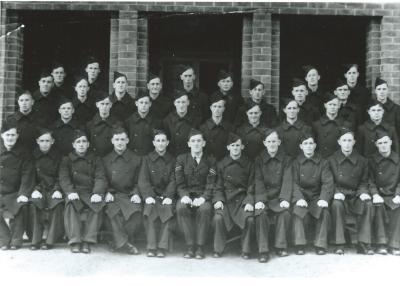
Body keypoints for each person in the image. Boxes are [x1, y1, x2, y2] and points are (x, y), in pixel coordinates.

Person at [212, 133, 259, 261]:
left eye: (238, 145)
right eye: (233, 145)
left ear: (242, 147)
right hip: (226, 201)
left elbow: (252, 186)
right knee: (218, 218)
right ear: (228, 148)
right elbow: (217, 186)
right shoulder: (221, 164)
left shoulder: (249, 164)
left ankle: (246, 249)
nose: (235, 148)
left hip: (242, 200)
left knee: (249, 219)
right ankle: (218, 248)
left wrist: (249, 201)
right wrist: (218, 200)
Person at [59, 130, 106, 253]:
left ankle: (87, 241)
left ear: (88, 144)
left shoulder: (96, 159)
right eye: (78, 142)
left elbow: (100, 177)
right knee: (70, 204)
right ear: (73, 145)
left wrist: (97, 192)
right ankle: (75, 240)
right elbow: (64, 178)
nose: (81, 144)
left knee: (97, 205)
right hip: (75, 191)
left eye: (84, 141)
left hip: (90, 192)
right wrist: (70, 191)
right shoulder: (67, 159)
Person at [328, 127, 373, 255]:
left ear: (354, 142)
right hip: (339, 194)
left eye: (349, 140)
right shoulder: (331, 160)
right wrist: (336, 192)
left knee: (368, 204)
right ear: (339, 142)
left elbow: (364, 181)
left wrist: (363, 192)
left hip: (355, 194)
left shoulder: (362, 161)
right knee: (336, 205)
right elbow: (329, 181)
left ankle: (363, 243)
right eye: (344, 140)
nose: (347, 143)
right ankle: (339, 243)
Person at [175, 129, 217, 259]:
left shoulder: (211, 160)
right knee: (181, 208)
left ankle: (200, 246)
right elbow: (179, 183)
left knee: (204, 210)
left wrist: (203, 198)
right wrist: (185, 196)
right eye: (193, 141)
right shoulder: (181, 159)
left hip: (203, 196)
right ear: (189, 144)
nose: (196, 144)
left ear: (203, 143)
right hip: (187, 195)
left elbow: (211, 184)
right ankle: (189, 246)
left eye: (199, 141)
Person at [291, 133, 334, 255]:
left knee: (324, 211)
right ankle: (300, 244)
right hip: (302, 196)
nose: (308, 146)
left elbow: (327, 182)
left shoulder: (323, 162)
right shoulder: (296, 163)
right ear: (301, 146)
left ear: (315, 146)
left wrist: (323, 198)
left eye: (311, 143)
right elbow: (293, 182)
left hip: (316, 196)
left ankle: (320, 244)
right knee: (297, 210)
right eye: (305, 144)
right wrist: (299, 197)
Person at [102, 127, 142, 255]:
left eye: (122, 139)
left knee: (136, 213)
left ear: (127, 140)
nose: (120, 142)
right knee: (113, 212)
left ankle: (117, 241)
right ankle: (125, 244)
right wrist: (107, 191)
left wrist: (136, 193)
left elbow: (139, 180)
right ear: (112, 141)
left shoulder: (136, 159)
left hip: (129, 194)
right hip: (113, 195)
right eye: (117, 139)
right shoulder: (106, 159)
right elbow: (102, 179)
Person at [254, 129, 293, 258]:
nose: (272, 144)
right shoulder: (259, 160)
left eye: (274, 141)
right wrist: (260, 200)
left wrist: (284, 198)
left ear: (279, 142)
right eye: (269, 141)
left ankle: (280, 246)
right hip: (264, 197)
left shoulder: (286, 160)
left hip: (278, 197)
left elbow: (287, 180)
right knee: (260, 214)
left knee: (285, 213)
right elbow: (258, 180)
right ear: (265, 143)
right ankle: (263, 250)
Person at [138, 130, 176, 258]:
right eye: (158, 141)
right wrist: (148, 196)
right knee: (149, 211)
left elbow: (173, 180)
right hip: (152, 195)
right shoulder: (147, 159)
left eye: (163, 141)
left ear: (167, 143)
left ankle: (162, 247)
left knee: (168, 211)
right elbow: (143, 179)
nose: (160, 143)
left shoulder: (172, 160)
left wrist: (168, 196)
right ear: (154, 143)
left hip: (166, 195)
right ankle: (151, 246)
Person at [0, 120, 34, 250]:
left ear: (17, 136)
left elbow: (27, 175)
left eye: (13, 135)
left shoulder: (24, 153)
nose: (10, 138)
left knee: (20, 207)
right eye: (7, 135)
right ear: (2, 135)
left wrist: (23, 193)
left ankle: (16, 240)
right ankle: (4, 239)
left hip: (14, 192)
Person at [30, 128, 64, 250]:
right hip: (38, 189)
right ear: (37, 141)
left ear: (52, 141)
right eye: (42, 140)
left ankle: (50, 240)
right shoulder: (32, 156)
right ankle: (35, 240)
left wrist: (57, 190)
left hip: (53, 189)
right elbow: (30, 176)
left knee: (57, 204)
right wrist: (35, 189)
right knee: (34, 204)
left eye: (47, 141)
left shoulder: (59, 157)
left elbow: (62, 176)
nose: (45, 143)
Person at [369, 130, 400, 255]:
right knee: (378, 206)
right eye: (380, 143)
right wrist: (375, 194)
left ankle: (395, 244)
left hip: (393, 194)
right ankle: (381, 243)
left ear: (391, 142)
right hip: (379, 195)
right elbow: (369, 180)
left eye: (386, 142)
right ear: (376, 144)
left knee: (398, 208)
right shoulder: (371, 160)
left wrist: (398, 194)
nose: (383, 145)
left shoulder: (398, 159)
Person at [312, 93, 353, 158]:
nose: (332, 107)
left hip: (339, 161)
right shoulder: (317, 125)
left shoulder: (346, 124)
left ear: (339, 105)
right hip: (322, 160)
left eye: (334, 105)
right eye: (330, 104)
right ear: (325, 105)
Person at [163, 89, 201, 155]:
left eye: (183, 102)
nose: (181, 105)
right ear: (174, 103)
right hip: (173, 156)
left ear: (188, 102)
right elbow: (166, 140)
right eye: (178, 102)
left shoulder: (196, 120)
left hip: (189, 156)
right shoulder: (167, 120)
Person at [125, 91, 161, 156]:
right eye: (141, 102)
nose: (144, 105)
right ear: (136, 103)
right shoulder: (128, 122)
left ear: (150, 104)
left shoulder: (156, 122)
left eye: (146, 103)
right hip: (133, 157)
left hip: (149, 158)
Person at [200, 93, 234, 160]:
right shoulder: (203, 128)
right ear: (211, 108)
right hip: (208, 163)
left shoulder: (230, 128)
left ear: (223, 109)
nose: (217, 109)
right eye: (215, 106)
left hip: (224, 163)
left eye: (219, 107)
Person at [86, 92, 120, 157]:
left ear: (111, 105)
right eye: (102, 104)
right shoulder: (90, 125)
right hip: (95, 159)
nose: (104, 107)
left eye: (107, 104)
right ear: (97, 105)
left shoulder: (117, 124)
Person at [374, 77, 400, 141]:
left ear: (387, 90)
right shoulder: (369, 108)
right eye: (379, 89)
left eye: (384, 89)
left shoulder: (396, 109)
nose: (382, 92)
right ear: (375, 91)